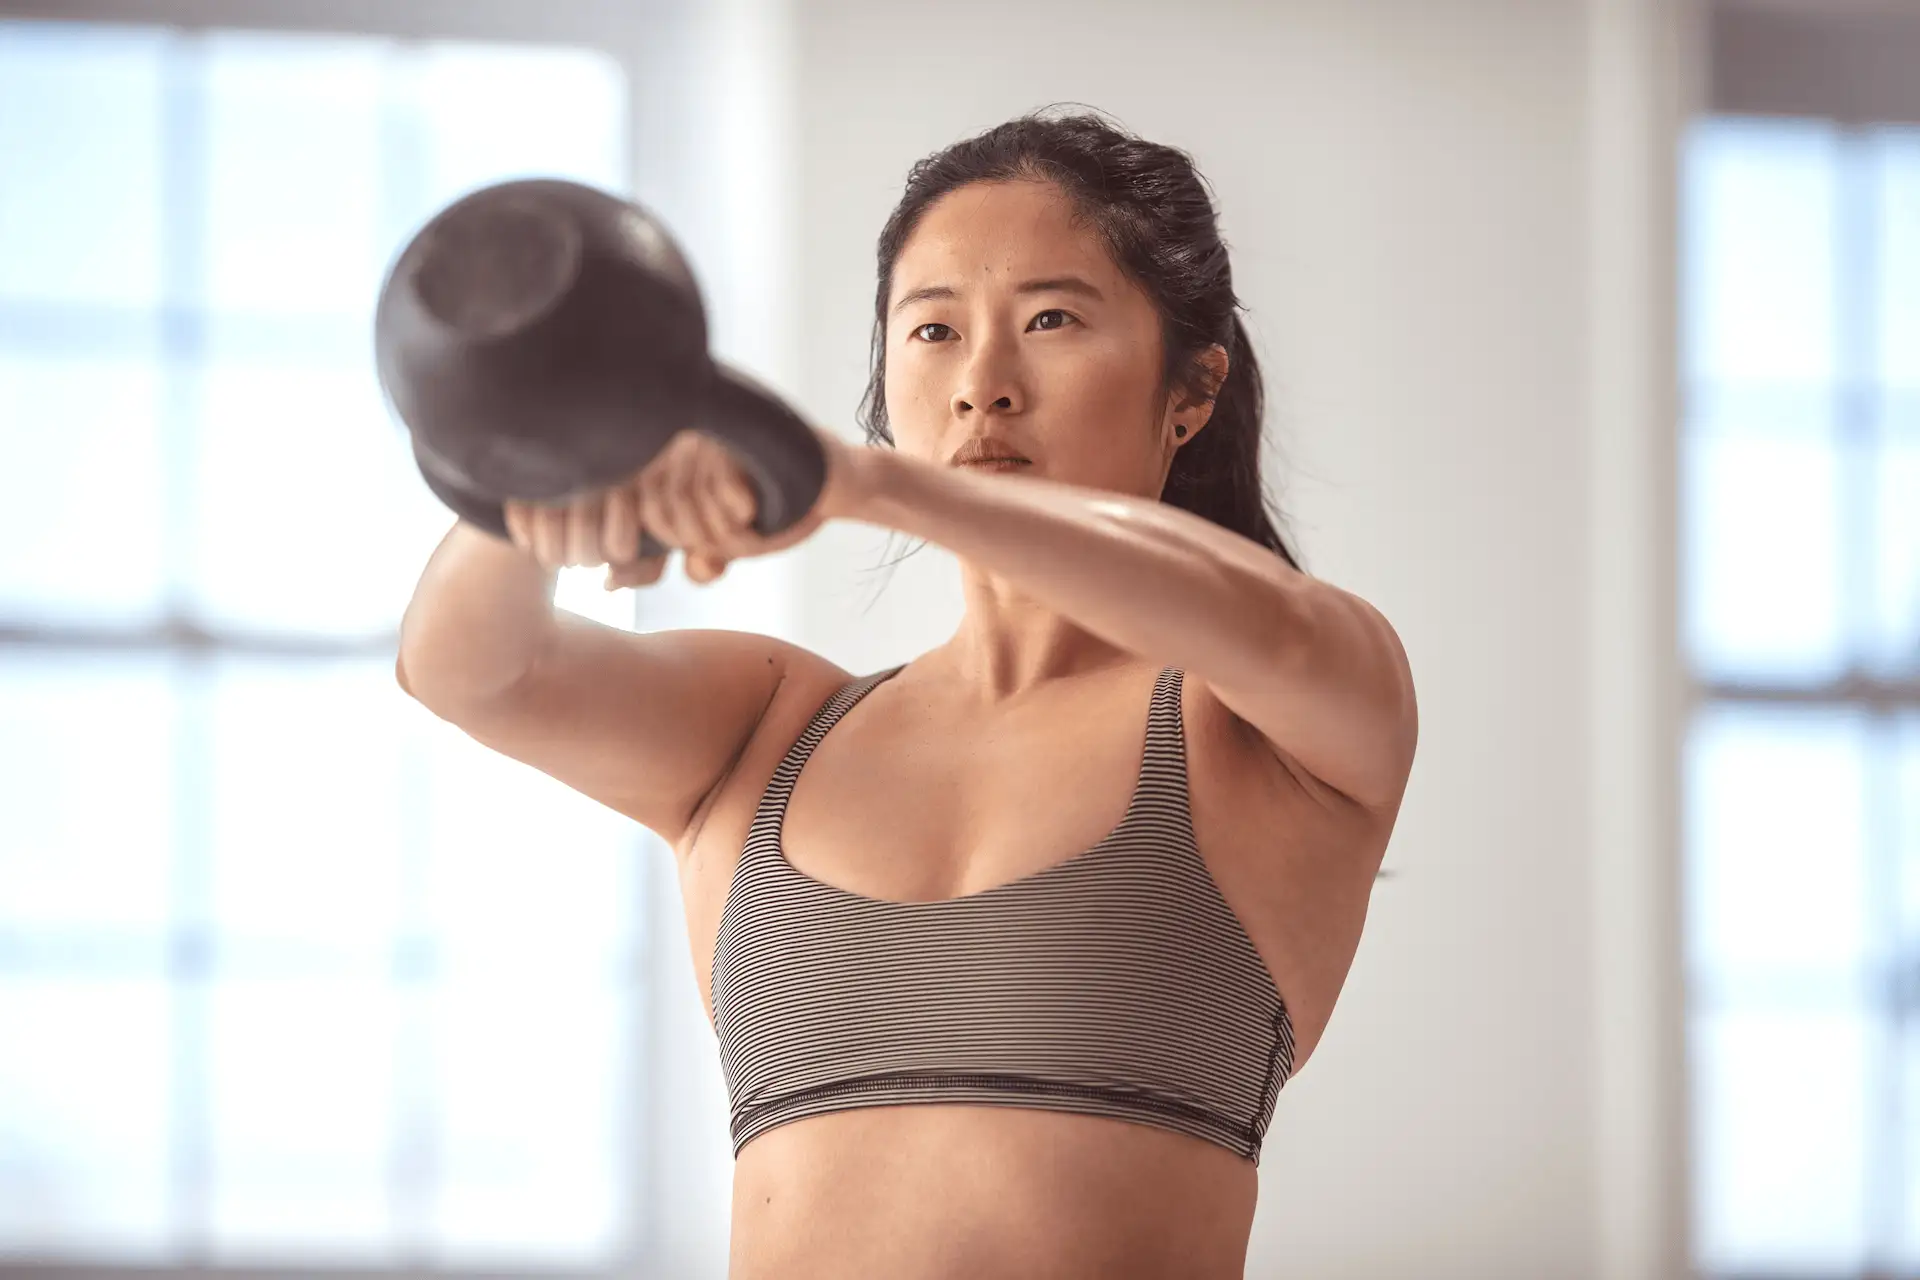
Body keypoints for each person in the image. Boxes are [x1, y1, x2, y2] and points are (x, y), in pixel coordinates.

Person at [397, 107, 1417, 1280]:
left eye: (1050, 319)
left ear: (1189, 389)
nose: (983, 384)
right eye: (933, 329)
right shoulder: (768, 727)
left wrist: (858, 482)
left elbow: (1273, 626)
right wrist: (566, 458)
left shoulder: (1265, 723)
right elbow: (465, 666)